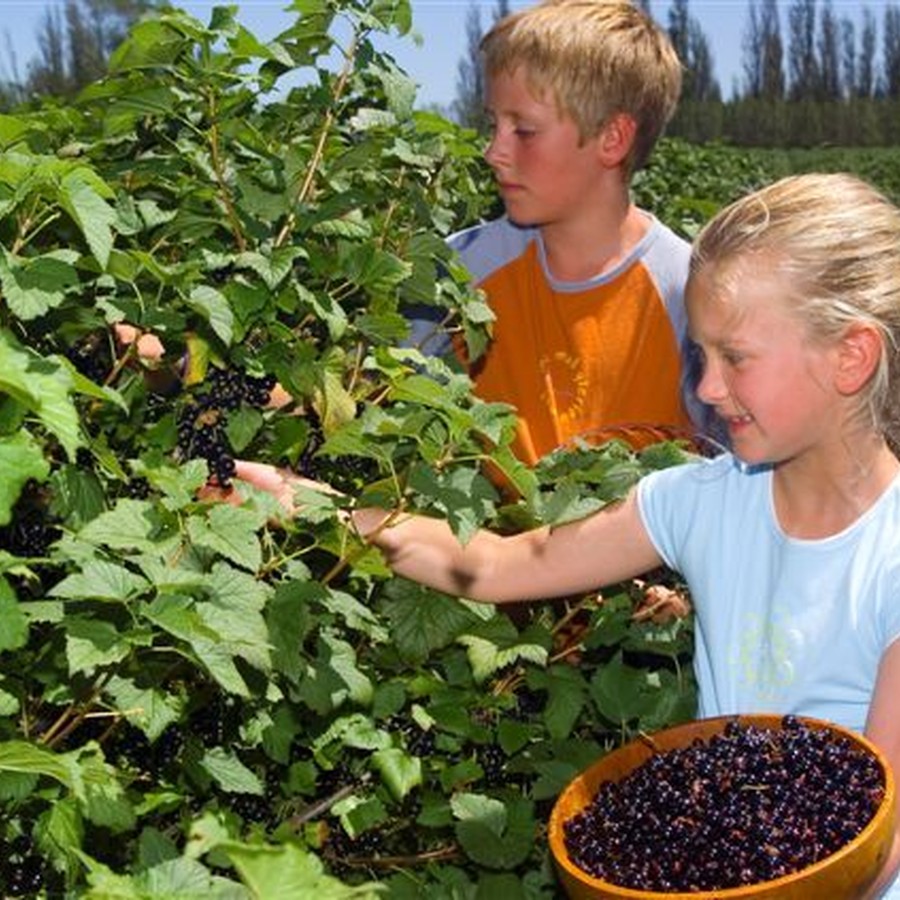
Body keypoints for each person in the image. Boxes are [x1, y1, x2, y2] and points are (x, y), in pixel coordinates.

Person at [230, 173, 900, 897]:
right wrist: (322, 512)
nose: (705, 388)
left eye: (734, 357)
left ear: (850, 356)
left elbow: (877, 844)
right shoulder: (702, 504)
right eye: (699, 356)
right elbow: (494, 564)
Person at [409, 0, 707, 464]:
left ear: (613, 140)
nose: (494, 151)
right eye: (494, 124)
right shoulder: (459, 270)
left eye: (523, 131)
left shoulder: (689, 295)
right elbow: (366, 392)